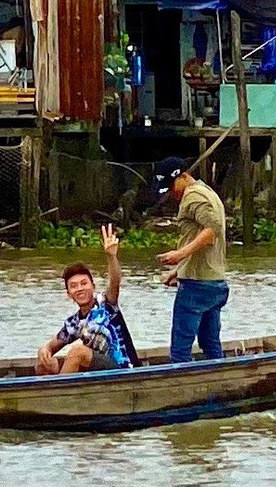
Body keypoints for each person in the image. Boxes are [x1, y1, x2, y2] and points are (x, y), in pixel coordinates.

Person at [153, 156, 229, 363]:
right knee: (210, 343)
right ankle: (221, 380)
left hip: (196, 286)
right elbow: (205, 235)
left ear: (183, 176)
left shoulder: (193, 197)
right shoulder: (207, 192)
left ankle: (179, 389)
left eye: (171, 187)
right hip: (214, 281)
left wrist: (180, 255)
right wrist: (179, 270)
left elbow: (211, 230)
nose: (171, 193)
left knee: (180, 350)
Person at [35, 225, 138, 375]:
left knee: (77, 353)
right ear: (69, 294)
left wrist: (111, 256)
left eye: (84, 283)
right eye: (74, 286)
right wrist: (44, 351)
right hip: (96, 370)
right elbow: (52, 345)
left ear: (93, 286)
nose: (80, 289)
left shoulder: (106, 303)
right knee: (43, 363)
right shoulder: (74, 323)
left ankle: (60, 394)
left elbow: (115, 281)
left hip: (121, 368)